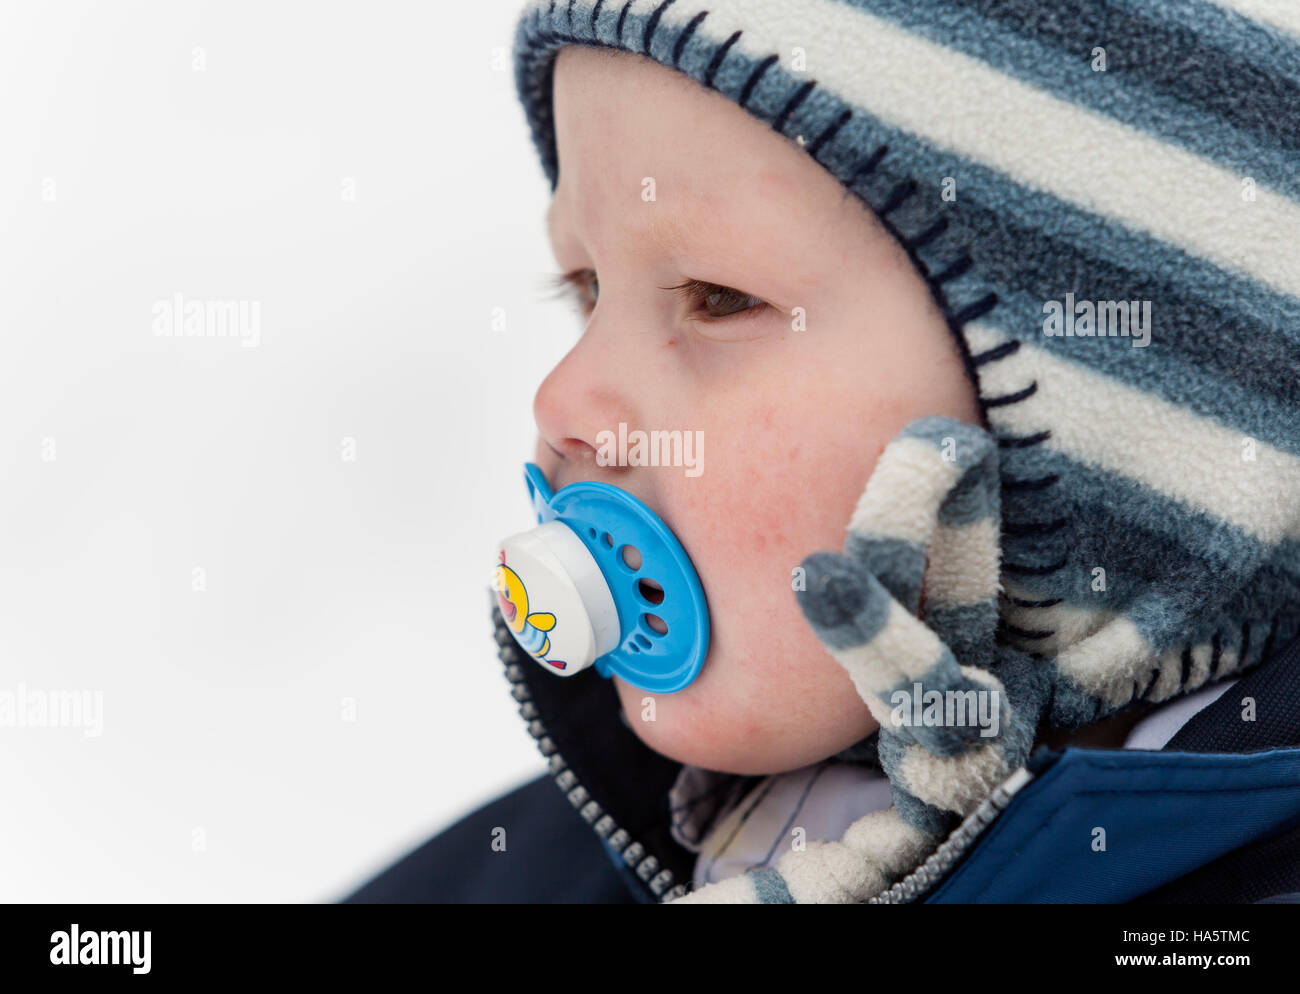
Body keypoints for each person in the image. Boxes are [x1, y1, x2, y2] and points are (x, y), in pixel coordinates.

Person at [345, 0, 1300, 904]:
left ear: (1125, 436)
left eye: (719, 298)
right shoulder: (536, 872)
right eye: (587, 287)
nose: (561, 400)